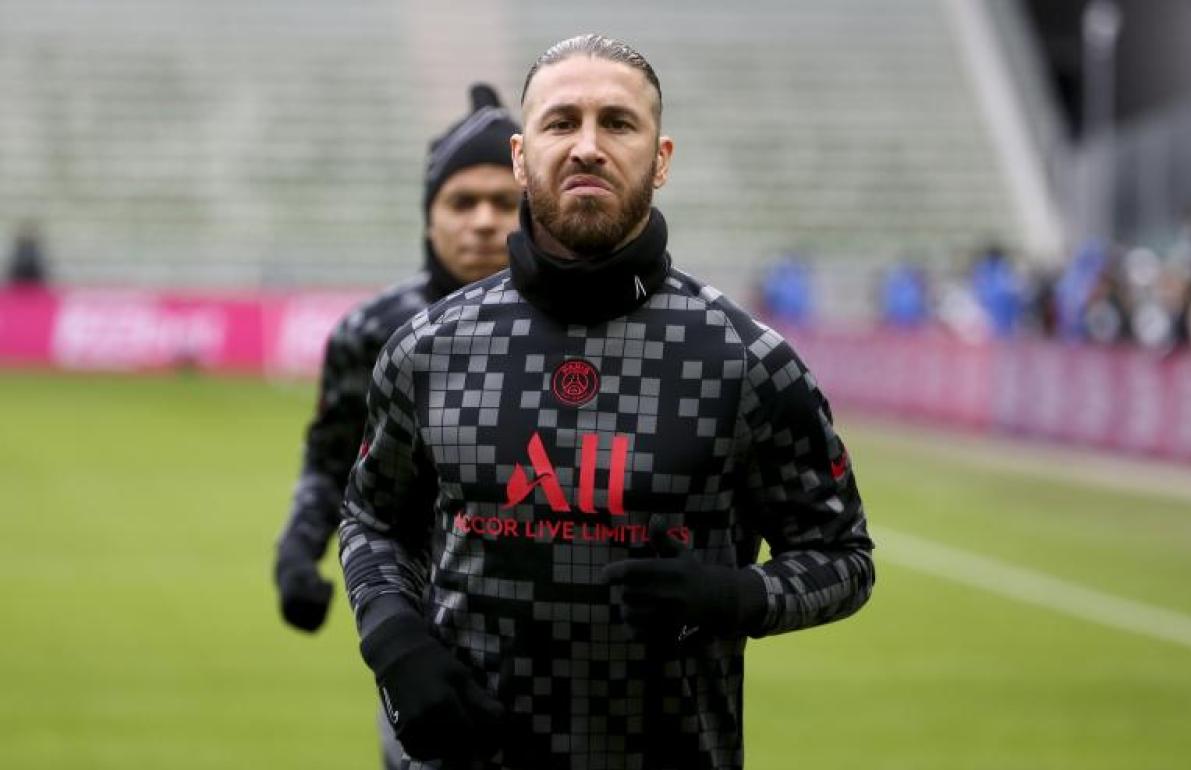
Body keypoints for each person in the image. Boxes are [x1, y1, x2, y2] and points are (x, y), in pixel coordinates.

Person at [339, 34, 875, 770]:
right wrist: (394, 642)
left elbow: (842, 558)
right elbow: (373, 518)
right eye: (562, 123)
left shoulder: (747, 362)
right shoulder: (429, 348)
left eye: (617, 123)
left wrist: (737, 596)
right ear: (522, 158)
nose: (587, 146)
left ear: (661, 159)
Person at [273, 83, 521, 770]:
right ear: (429, 216)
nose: (482, 221)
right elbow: (330, 461)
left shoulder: (583, 333)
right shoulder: (374, 332)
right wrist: (297, 553)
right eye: (461, 202)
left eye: (505, 203)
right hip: (420, 636)